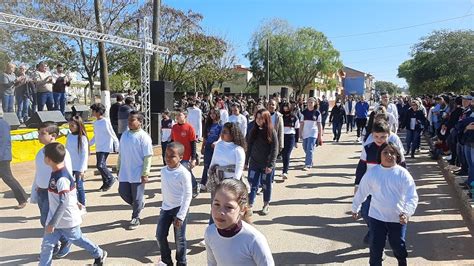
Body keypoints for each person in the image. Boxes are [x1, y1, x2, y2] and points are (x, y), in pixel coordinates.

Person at [39, 142, 107, 266]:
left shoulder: (62, 178)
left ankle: (99, 253)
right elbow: (69, 193)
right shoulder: (57, 172)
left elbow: (63, 202)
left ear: (48, 159)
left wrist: (52, 223)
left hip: (66, 220)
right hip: (54, 219)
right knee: (47, 246)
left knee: (78, 239)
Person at [352, 143, 418, 266]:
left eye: (392, 153)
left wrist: (406, 213)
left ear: (397, 156)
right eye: (385, 153)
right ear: (379, 156)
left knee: (397, 245)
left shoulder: (403, 174)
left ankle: (402, 261)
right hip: (377, 217)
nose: (389, 155)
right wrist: (355, 207)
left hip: (397, 218)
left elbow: (412, 196)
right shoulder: (372, 173)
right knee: (375, 247)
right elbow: (362, 192)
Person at [204, 179, 274, 266]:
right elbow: (212, 263)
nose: (220, 212)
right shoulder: (210, 232)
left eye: (229, 207)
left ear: (242, 210)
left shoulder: (254, 239)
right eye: (217, 204)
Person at [31, 122, 73, 259]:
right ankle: (54, 246)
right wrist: (35, 189)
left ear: (53, 135)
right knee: (44, 221)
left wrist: (71, 195)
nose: (39, 136)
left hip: (53, 193)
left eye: (43, 133)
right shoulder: (40, 152)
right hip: (42, 192)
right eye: (39, 133)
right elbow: (39, 172)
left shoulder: (61, 152)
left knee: (52, 221)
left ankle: (62, 243)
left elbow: (68, 174)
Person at [156, 142, 193, 266]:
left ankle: (181, 262)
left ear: (180, 158)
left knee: (180, 239)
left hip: (179, 209)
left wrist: (181, 216)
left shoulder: (184, 173)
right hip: (166, 209)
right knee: (160, 235)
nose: (167, 158)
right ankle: (166, 261)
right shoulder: (163, 171)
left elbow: (188, 195)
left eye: (172, 156)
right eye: (166, 155)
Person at [117, 111, 153, 230]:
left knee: (137, 196)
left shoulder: (144, 137)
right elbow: (121, 154)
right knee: (123, 192)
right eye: (129, 120)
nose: (129, 122)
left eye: (132, 120)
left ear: (140, 122)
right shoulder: (124, 135)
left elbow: (148, 156)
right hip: (125, 171)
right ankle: (138, 205)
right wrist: (118, 168)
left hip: (138, 172)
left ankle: (135, 217)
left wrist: (145, 173)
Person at [246, 109, 278, 215]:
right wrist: (246, 161)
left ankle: (266, 204)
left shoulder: (271, 131)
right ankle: (249, 205)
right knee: (252, 184)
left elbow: (275, 149)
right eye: (257, 118)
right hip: (254, 163)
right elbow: (249, 146)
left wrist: (271, 165)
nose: (258, 120)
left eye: (261, 118)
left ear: (266, 119)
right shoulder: (253, 131)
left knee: (266, 185)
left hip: (266, 165)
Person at [0, 109, 28, 208]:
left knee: (8, 178)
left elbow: (2, 142)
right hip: (4, 155)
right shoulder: (5, 123)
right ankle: (22, 198)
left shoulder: (2, 124)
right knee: (8, 178)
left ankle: (22, 198)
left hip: (2, 156)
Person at [89, 103, 119, 192]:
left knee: (100, 165)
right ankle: (105, 183)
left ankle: (110, 178)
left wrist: (116, 145)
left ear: (98, 112)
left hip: (105, 146)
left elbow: (112, 133)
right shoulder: (95, 123)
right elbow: (95, 135)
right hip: (98, 146)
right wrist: (89, 143)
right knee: (101, 165)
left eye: (93, 111)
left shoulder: (105, 121)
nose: (92, 112)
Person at [171, 108, 199, 198]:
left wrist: (193, 158)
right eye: (176, 115)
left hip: (186, 155)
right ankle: (183, 189)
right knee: (179, 173)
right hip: (176, 155)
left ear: (185, 116)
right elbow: (173, 141)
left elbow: (193, 143)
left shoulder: (189, 127)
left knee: (186, 172)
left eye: (180, 115)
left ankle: (195, 185)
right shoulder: (174, 127)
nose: (177, 117)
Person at [66, 115, 89, 207]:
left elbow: (84, 154)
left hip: (79, 167)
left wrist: (82, 169)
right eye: (69, 125)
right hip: (70, 165)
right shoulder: (69, 136)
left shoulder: (82, 138)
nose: (70, 128)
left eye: (72, 126)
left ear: (78, 125)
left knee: (79, 186)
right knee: (69, 186)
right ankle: (72, 203)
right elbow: (66, 150)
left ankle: (82, 204)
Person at [200, 108, 223, 191]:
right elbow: (205, 137)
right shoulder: (208, 125)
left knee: (215, 167)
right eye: (211, 113)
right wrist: (203, 147)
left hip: (217, 147)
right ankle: (203, 183)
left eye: (214, 113)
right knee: (206, 165)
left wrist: (217, 142)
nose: (212, 115)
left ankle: (215, 184)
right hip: (208, 147)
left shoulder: (221, 125)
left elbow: (221, 137)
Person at [300, 97, 323, 170]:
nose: (309, 104)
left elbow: (319, 125)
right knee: (305, 147)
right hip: (305, 132)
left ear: (314, 103)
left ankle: (308, 164)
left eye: (311, 102)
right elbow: (301, 124)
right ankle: (310, 159)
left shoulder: (317, 113)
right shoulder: (304, 112)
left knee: (309, 148)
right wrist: (300, 133)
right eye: (308, 102)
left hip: (313, 132)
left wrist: (320, 135)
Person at [281, 102, 300, 180]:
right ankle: (284, 169)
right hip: (282, 136)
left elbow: (297, 129)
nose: (286, 108)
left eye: (287, 107)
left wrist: (296, 141)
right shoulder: (280, 116)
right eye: (284, 107)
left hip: (290, 137)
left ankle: (285, 171)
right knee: (282, 154)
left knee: (287, 154)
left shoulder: (294, 117)